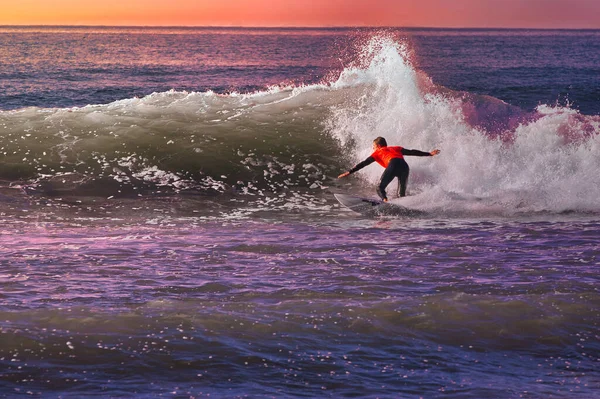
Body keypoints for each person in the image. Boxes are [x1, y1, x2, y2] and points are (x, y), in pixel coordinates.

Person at [338, 137, 440, 202]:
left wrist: (349, 172)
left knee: (379, 188)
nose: (373, 149)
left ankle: (385, 201)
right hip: (404, 166)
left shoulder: (377, 152)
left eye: (374, 147)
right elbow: (412, 152)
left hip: (393, 164)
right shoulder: (395, 148)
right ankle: (403, 206)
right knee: (401, 195)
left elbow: (364, 163)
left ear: (378, 146)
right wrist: (429, 154)